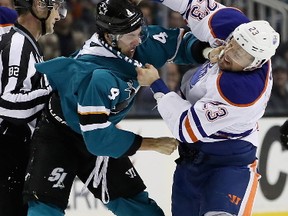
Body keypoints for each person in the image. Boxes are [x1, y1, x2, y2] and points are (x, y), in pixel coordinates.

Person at [22, 0, 212, 215]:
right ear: (109, 37)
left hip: (98, 131)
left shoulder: (135, 41)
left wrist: (209, 53)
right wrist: (153, 143)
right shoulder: (96, 74)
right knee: (44, 208)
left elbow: (182, 43)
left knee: (139, 207)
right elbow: (99, 140)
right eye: (131, 35)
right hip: (60, 135)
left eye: (140, 31)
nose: (139, 40)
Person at [136, 0, 280, 215]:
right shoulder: (233, 27)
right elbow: (189, 3)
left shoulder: (241, 91)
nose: (229, 53)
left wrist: (157, 85)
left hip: (229, 165)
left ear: (255, 63)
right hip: (190, 160)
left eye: (240, 55)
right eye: (232, 43)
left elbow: (185, 128)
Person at [0, 0, 66, 216]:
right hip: (6, 157)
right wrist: (54, 89)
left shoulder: (26, 44)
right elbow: (8, 104)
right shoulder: (19, 43)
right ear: (39, 5)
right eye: (56, 7)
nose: (58, 15)